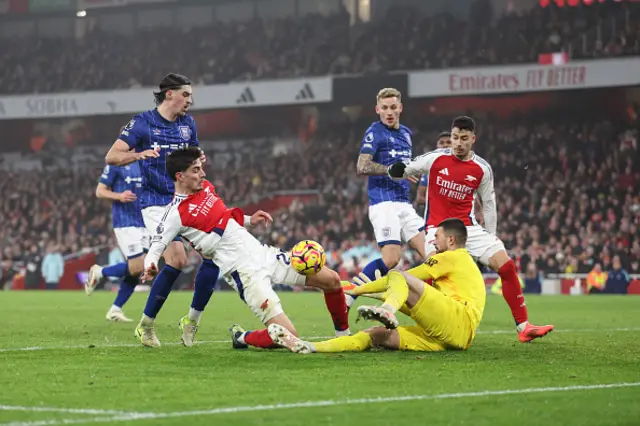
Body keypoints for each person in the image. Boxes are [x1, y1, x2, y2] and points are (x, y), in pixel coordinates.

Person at [141, 147, 350, 349]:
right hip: (246, 274)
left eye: (201, 168)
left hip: (265, 254)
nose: (202, 174)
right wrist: (150, 263)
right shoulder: (175, 213)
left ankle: (343, 338)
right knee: (289, 335)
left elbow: (223, 219)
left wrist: (250, 221)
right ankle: (242, 337)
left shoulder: (206, 188)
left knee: (331, 280)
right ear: (180, 176)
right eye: (195, 170)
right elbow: (158, 243)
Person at [387, 116, 554, 343]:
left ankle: (524, 327)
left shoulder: (482, 169)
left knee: (506, 265)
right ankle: (419, 320)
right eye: (455, 137)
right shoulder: (435, 159)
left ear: (473, 139)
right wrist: (395, 170)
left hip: (467, 227)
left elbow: (489, 204)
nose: (458, 143)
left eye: (464, 138)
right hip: (437, 228)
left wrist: (492, 238)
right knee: (435, 274)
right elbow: (405, 168)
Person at [105, 73, 220, 346]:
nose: (190, 101)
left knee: (214, 254)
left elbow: (193, 158)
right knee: (178, 260)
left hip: (185, 199)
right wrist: (138, 154)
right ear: (170, 93)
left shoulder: (188, 124)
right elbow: (112, 156)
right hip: (155, 202)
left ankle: (192, 320)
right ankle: (146, 325)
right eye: (186, 95)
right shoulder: (142, 123)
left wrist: (198, 160)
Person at [269, 218, 485, 354]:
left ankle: (387, 311)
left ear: (451, 240)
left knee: (397, 275)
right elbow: (403, 293)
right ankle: (309, 346)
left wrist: (359, 289)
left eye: (436, 236)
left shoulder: (453, 256)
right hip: (449, 337)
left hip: (458, 319)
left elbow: (403, 278)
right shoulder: (457, 266)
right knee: (374, 335)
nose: (432, 242)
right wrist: (371, 293)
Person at [351, 87, 426, 307]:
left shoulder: (406, 134)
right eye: (385, 108)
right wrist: (392, 170)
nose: (389, 112)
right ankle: (351, 294)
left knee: (431, 254)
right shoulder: (375, 132)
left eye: (393, 107)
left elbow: (404, 168)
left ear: (400, 108)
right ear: (378, 110)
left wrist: (411, 171)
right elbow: (362, 165)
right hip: (383, 202)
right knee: (392, 259)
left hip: (404, 204)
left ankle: (429, 301)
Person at [84, 162, 147, 322]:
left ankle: (115, 308)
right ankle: (100, 273)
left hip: (145, 221)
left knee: (139, 269)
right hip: (125, 222)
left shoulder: (145, 161)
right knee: (137, 266)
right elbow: (100, 191)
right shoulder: (116, 163)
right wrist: (119, 196)